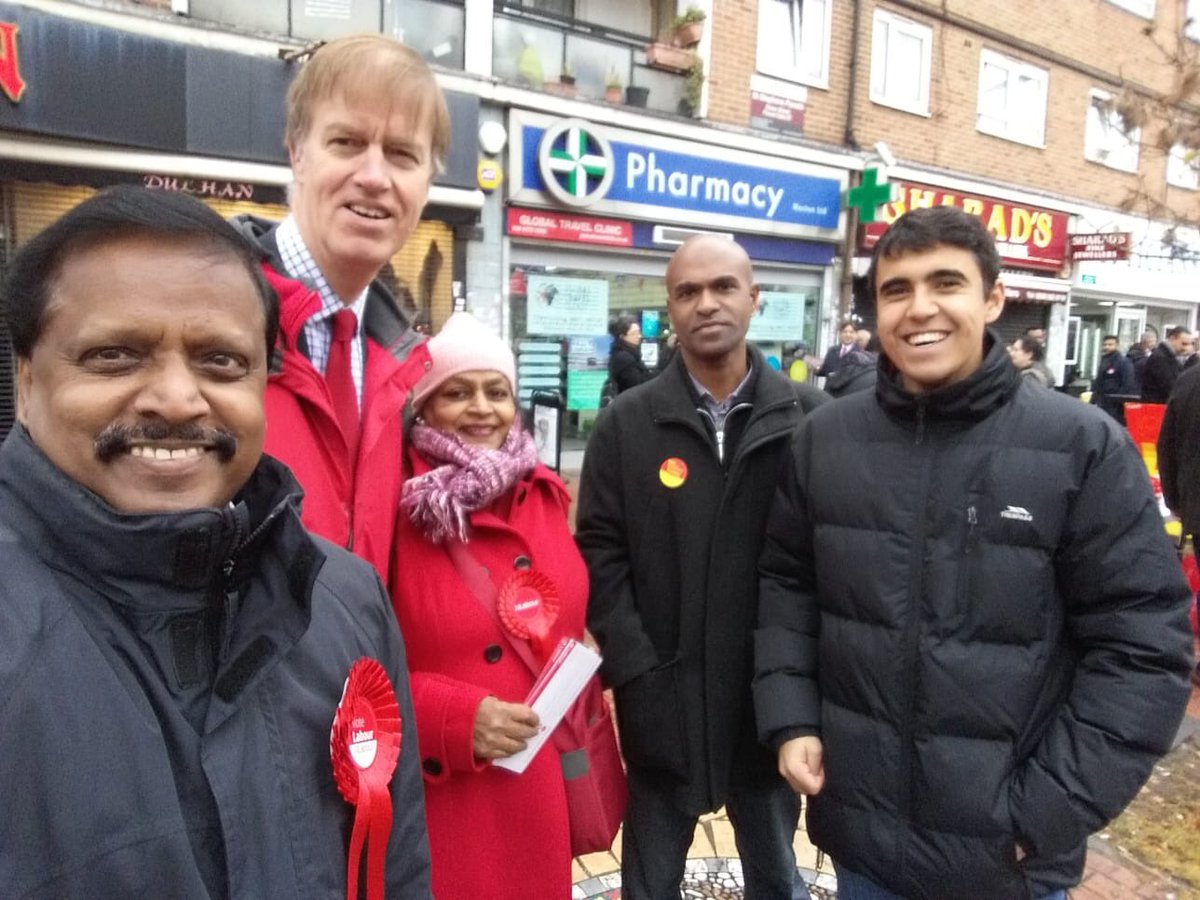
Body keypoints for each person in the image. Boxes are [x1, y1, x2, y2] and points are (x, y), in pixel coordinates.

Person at [0, 187, 431, 896]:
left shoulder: (344, 599)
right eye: (115, 355)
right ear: (26, 379)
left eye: (220, 362)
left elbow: (398, 869)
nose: (176, 399)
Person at [754, 206, 1194, 900]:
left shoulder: (1080, 447)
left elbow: (1144, 648)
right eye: (897, 289)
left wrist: (1047, 810)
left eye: (945, 283)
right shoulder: (825, 440)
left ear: (992, 299)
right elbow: (787, 584)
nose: (919, 308)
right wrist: (791, 717)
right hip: (863, 845)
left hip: (1008, 864)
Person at [576, 235, 828, 899]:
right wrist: (635, 670)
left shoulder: (812, 421)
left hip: (767, 704)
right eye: (688, 292)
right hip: (664, 700)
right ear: (670, 308)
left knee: (777, 872)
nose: (706, 304)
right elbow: (599, 552)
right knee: (649, 881)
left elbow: (828, 564)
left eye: (722, 287)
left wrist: (798, 680)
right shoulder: (626, 425)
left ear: (754, 298)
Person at [390, 312, 605, 899]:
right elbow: (352, 663)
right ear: (424, 407)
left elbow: (565, 602)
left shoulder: (542, 490)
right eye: (457, 392)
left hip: (537, 778)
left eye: (497, 391)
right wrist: (450, 721)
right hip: (448, 790)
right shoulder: (394, 506)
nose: (481, 408)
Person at [233, 34, 450, 584]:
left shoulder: (402, 360)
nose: (375, 177)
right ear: (297, 153)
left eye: (402, 154)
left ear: (427, 182)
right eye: (347, 142)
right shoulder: (209, 316)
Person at [1091, 333, 1138, 423]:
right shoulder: (1104, 360)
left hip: (1115, 405)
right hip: (1103, 401)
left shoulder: (1123, 362)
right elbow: (1099, 381)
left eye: (1110, 345)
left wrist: (1118, 400)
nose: (1107, 347)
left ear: (1117, 345)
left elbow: (1128, 383)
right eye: (1105, 345)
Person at [1141, 325, 1194, 402]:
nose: (1186, 348)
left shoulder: (1168, 357)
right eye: (1183, 344)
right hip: (1157, 407)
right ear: (1172, 339)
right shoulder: (1161, 358)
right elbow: (1171, 387)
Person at [608, 312, 655, 395]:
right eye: (634, 333)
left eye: (638, 332)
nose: (639, 336)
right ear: (622, 336)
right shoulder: (624, 358)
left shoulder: (630, 354)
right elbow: (639, 384)